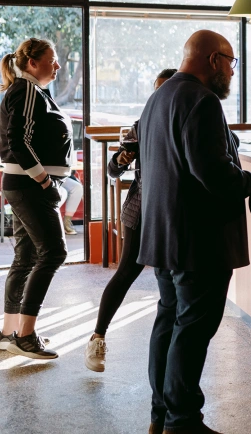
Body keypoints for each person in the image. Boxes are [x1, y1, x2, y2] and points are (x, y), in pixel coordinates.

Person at [138, 31, 251, 434]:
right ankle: (183, 423)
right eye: (231, 62)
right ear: (214, 60)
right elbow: (213, 174)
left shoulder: (159, 96)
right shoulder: (202, 100)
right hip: (198, 239)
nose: (232, 72)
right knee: (192, 330)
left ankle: (161, 416)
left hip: (163, 234)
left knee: (169, 322)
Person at [83, 68, 176, 373]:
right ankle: (98, 337)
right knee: (126, 272)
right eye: (156, 90)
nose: (159, 96)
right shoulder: (142, 125)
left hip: (171, 213)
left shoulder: (185, 122)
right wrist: (121, 159)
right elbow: (112, 170)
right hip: (140, 209)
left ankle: (171, 350)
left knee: (169, 279)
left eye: (165, 90)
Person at [0, 38, 72, 360]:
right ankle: (26, 336)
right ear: (32, 62)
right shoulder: (27, 90)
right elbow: (18, 140)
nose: (57, 65)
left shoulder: (31, 91)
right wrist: (45, 181)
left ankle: (9, 332)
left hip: (26, 185)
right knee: (54, 252)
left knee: (26, 257)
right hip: (31, 186)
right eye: (52, 59)